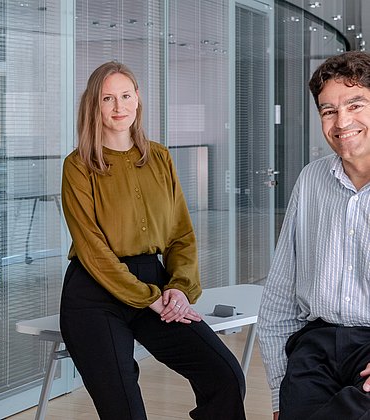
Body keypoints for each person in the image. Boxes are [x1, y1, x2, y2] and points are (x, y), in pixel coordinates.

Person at [59, 61, 246, 420]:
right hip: (94, 293)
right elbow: (93, 252)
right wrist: (151, 299)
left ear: (138, 98)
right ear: (93, 105)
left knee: (224, 375)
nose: (119, 107)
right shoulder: (78, 165)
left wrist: (179, 288)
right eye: (108, 98)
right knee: (124, 408)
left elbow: (180, 233)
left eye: (126, 96)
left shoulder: (159, 156)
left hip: (156, 283)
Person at [258, 51, 370, 420]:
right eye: (328, 111)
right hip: (315, 345)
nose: (342, 122)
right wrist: (278, 392)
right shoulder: (311, 179)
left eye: (356, 105)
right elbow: (280, 293)